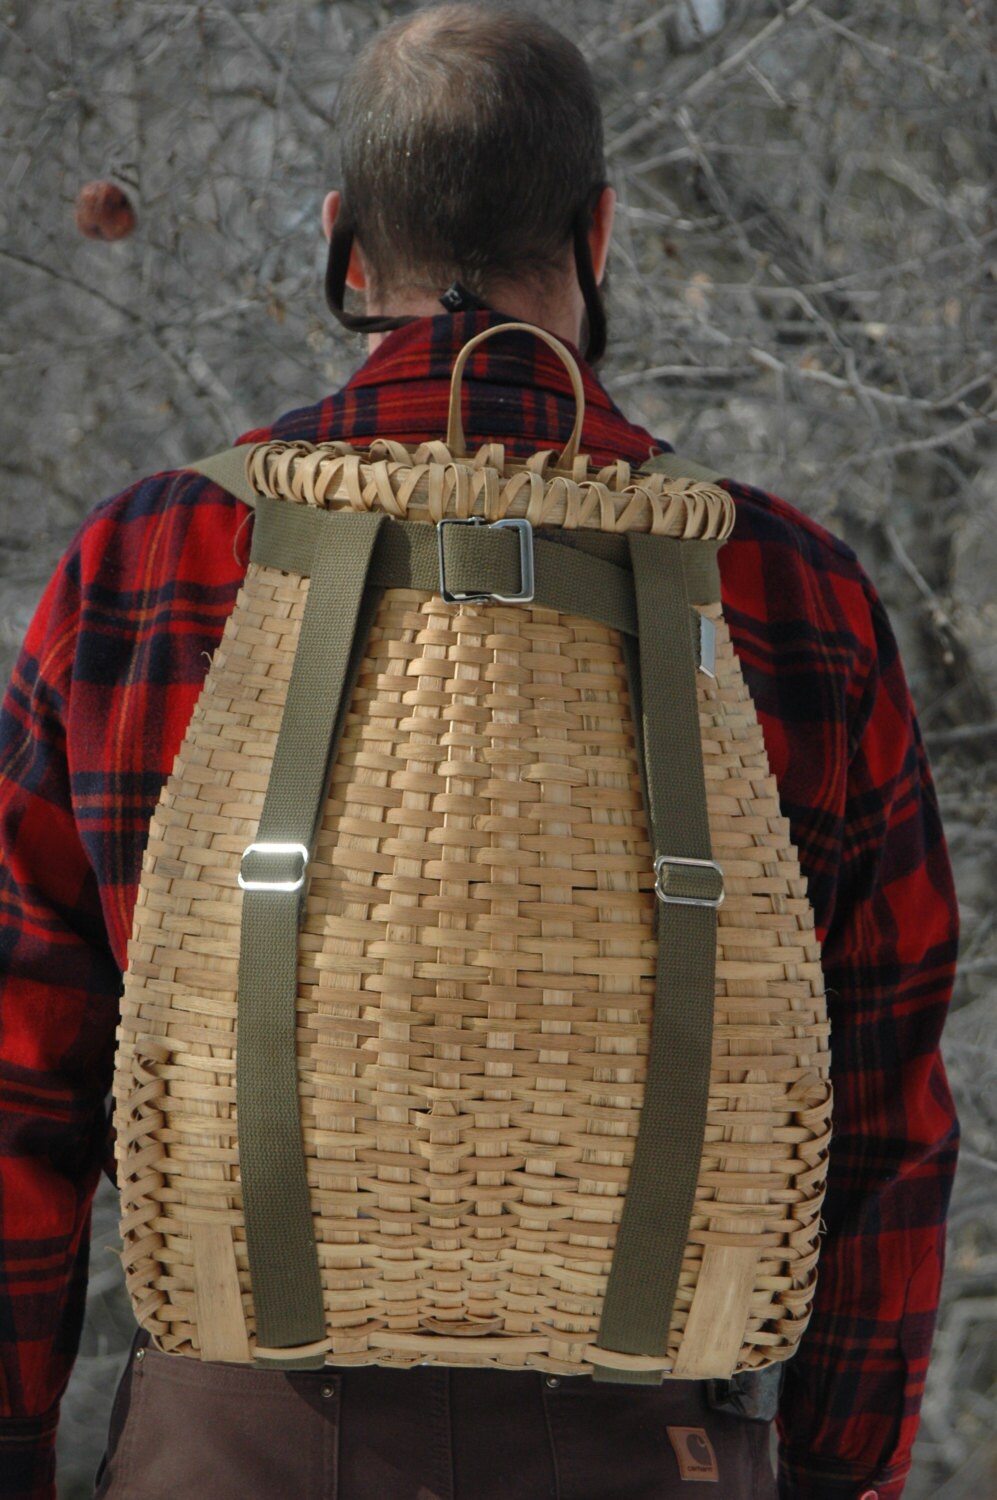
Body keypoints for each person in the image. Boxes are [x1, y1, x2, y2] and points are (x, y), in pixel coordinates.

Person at [0, 6, 958, 1499]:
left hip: (238, 1449)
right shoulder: (784, 588)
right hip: (656, 1451)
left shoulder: (151, 562)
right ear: (599, 231)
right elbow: (886, 1121)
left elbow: (21, 1080)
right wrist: (829, 1475)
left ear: (340, 241)